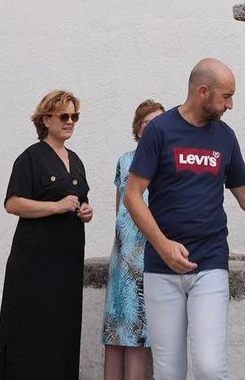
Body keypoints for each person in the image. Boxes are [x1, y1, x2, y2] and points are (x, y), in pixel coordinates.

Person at [125, 60, 245, 380]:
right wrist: (163, 245)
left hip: (209, 263)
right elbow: (133, 194)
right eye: (226, 97)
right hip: (161, 266)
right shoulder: (160, 130)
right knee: (169, 373)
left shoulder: (225, 138)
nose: (231, 104)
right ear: (203, 92)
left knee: (211, 368)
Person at [0, 89, 93, 380]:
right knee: (31, 329)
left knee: (62, 328)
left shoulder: (76, 160)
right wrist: (55, 206)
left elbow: (80, 200)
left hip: (68, 262)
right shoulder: (30, 158)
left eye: (74, 116)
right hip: (35, 263)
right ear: (46, 119)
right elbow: (12, 203)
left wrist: (86, 211)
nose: (70, 121)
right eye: (64, 116)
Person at [103, 100, 164, 380]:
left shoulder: (167, 162)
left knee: (138, 338)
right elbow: (121, 211)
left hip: (148, 256)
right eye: (148, 123)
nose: (154, 129)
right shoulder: (125, 161)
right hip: (122, 257)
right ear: (138, 129)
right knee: (114, 335)